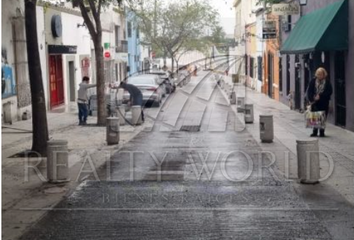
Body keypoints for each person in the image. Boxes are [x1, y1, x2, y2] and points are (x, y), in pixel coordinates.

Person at [306, 67, 333, 137]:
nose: (319, 76)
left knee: (322, 116)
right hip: (315, 102)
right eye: (318, 74)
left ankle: (321, 132)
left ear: (324, 74)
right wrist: (312, 98)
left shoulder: (327, 82)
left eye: (320, 74)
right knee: (315, 116)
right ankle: (314, 131)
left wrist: (321, 96)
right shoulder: (313, 81)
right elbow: (309, 91)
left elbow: (329, 91)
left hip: (323, 102)